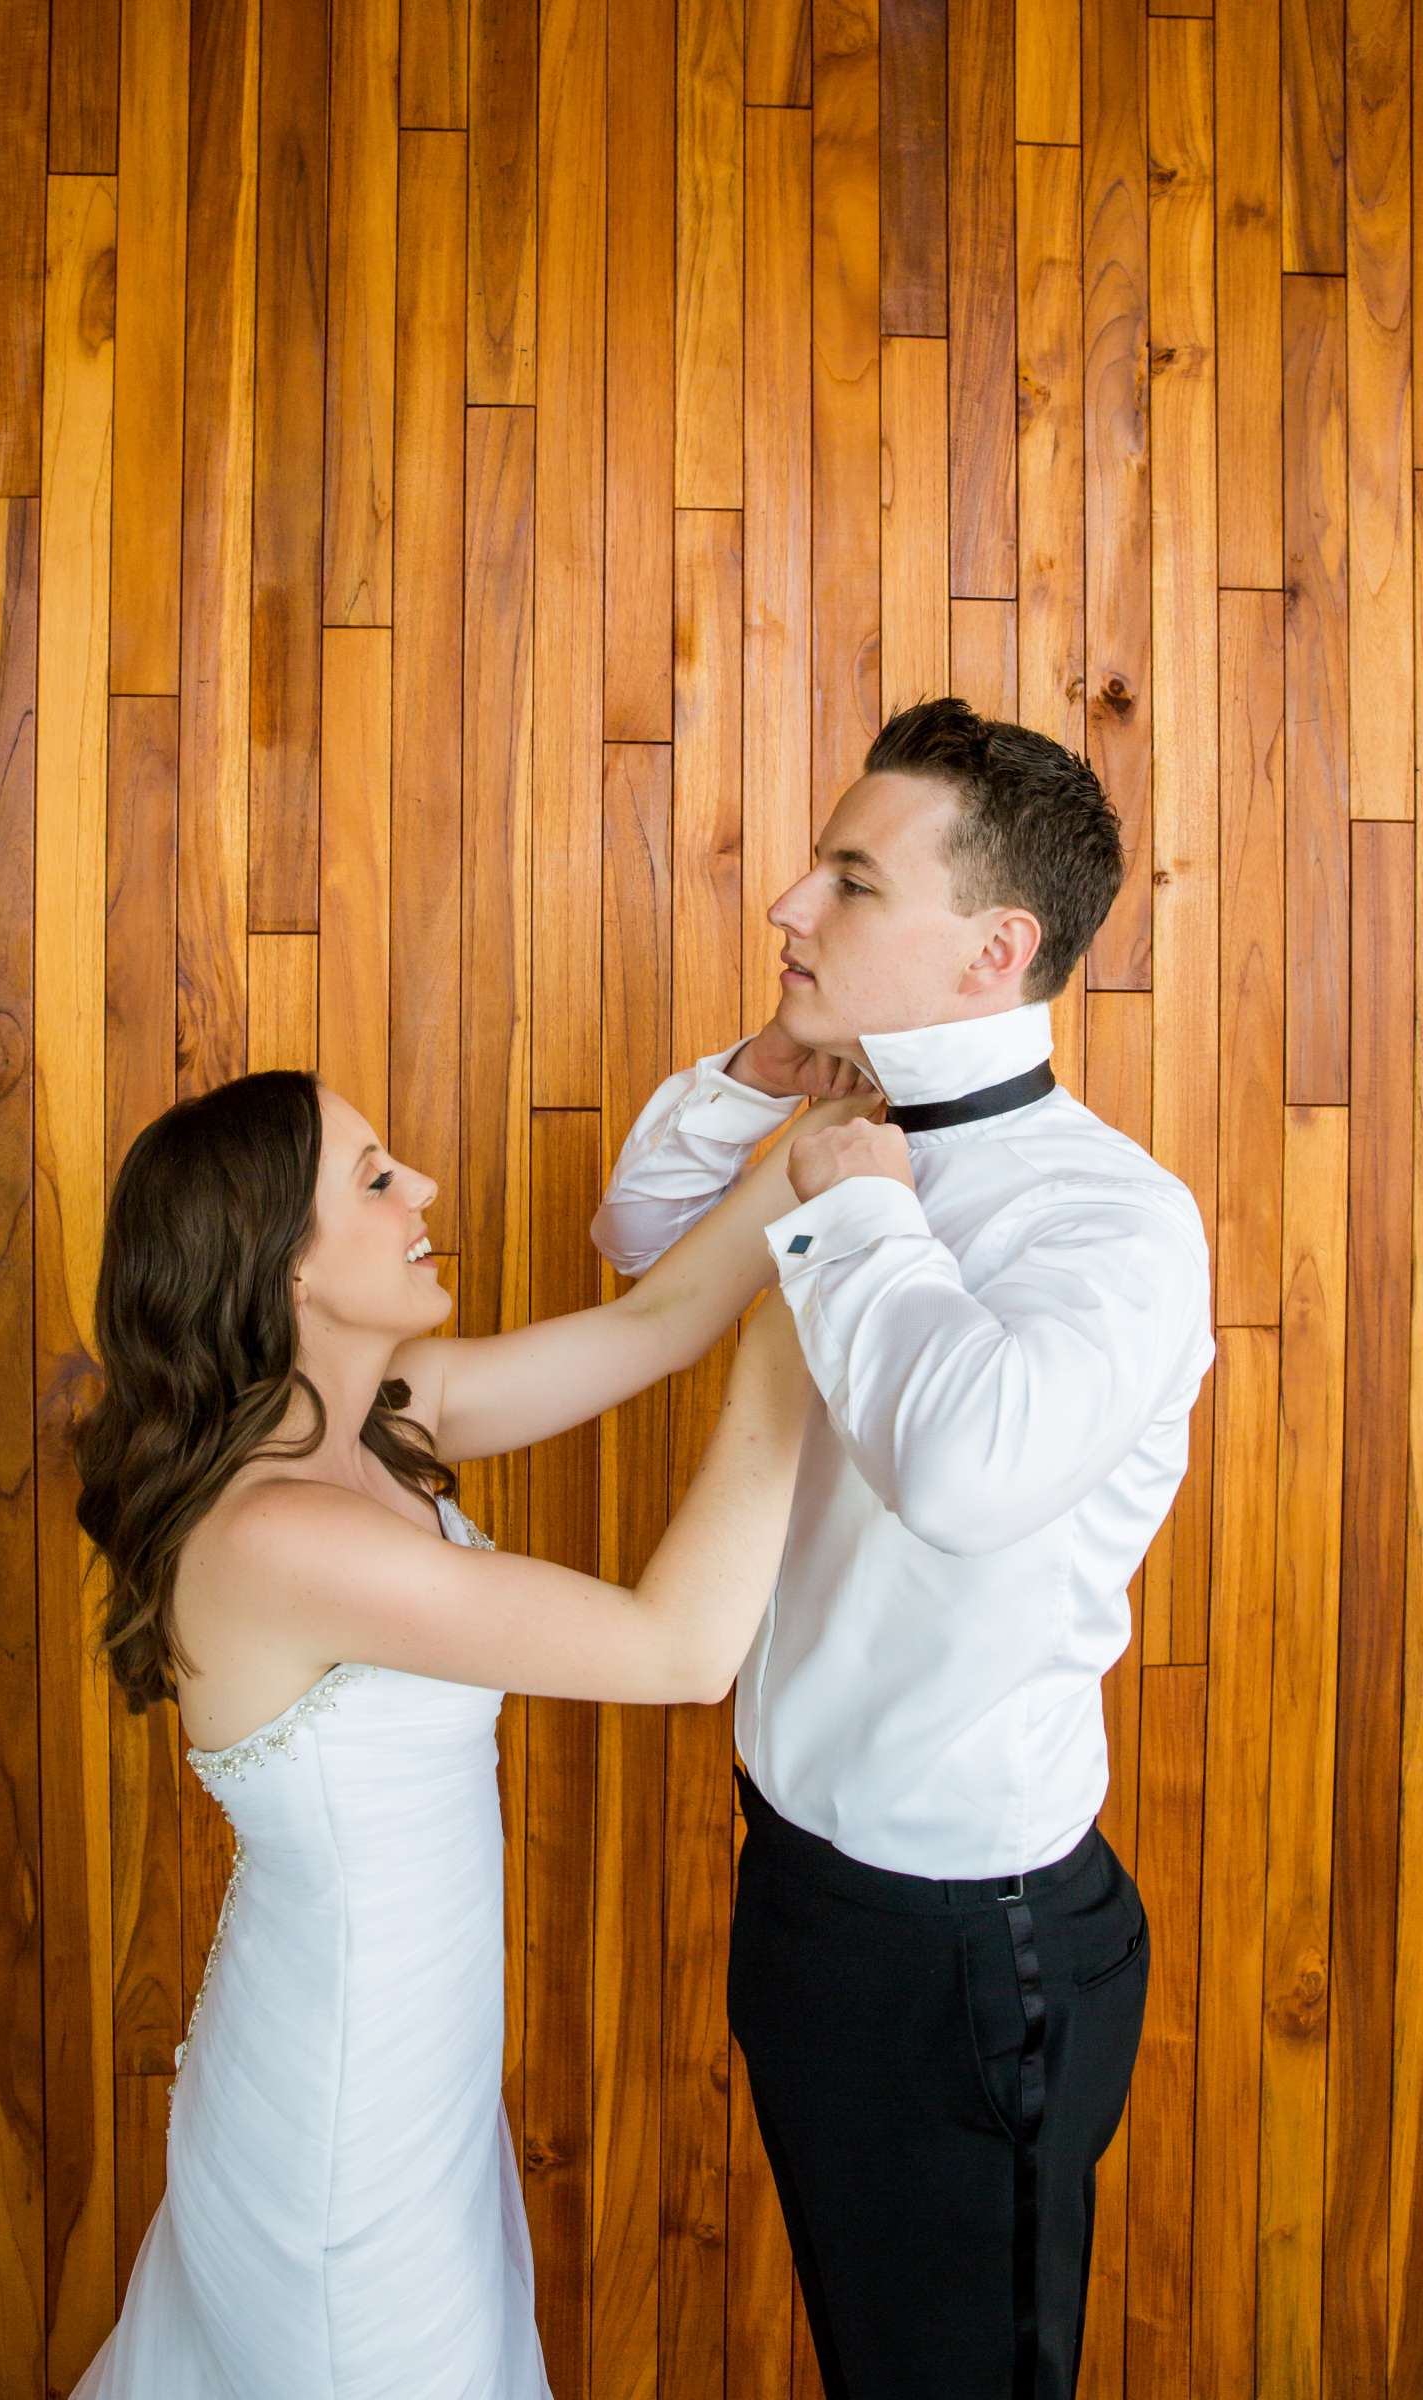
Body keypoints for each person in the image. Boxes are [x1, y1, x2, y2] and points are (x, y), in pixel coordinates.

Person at [67, 1060, 869, 2399]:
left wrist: (822, 1141)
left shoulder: (379, 1422)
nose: (422, 1186)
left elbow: (660, 1322)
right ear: (287, 1269)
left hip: (410, 2066)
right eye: (375, 1179)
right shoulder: (280, 1537)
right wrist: (811, 1319)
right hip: (345, 2113)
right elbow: (678, 1650)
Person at [592, 696, 1216, 2399]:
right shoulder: (835, 1130)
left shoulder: (1116, 1221)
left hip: (970, 1945)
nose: (788, 907)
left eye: (850, 883)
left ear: (990, 949)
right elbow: (648, 1235)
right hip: (799, 1882)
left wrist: (857, 1203)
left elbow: (965, 1463)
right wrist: (774, 1080)